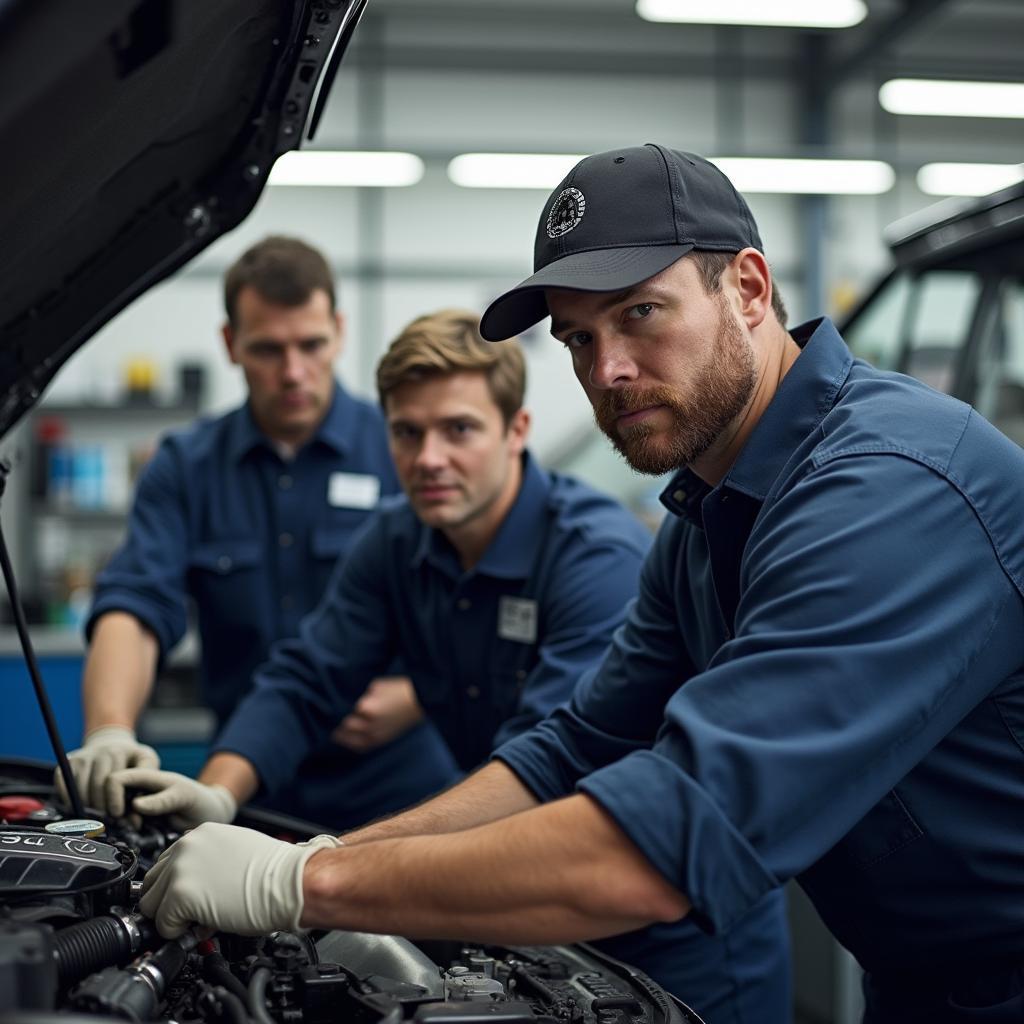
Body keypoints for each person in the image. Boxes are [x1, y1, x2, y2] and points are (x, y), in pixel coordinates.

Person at [139, 145, 1024, 1020]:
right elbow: (570, 752)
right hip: (917, 988)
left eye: (641, 312)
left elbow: (660, 844)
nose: (607, 372)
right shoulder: (706, 518)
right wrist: (332, 852)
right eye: (579, 338)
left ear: (748, 290)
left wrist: (303, 881)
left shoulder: (890, 488)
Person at [116, 308, 790, 1020]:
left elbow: (549, 766)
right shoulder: (396, 545)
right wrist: (219, 795)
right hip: (532, 930)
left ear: (516, 432)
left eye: (459, 430)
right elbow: (307, 680)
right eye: (408, 433)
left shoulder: (595, 558)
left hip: (677, 949)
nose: (429, 457)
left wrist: (306, 872)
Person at [60, 235, 459, 830]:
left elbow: (470, 595)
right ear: (230, 345)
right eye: (269, 349)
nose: (294, 372)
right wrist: (111, 728)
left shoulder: (406, 450)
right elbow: (137, 601)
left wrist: (420, 694)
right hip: (249, 788)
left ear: (340, 332)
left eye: (311, 345)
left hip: (400, 790)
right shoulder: (186, 467)